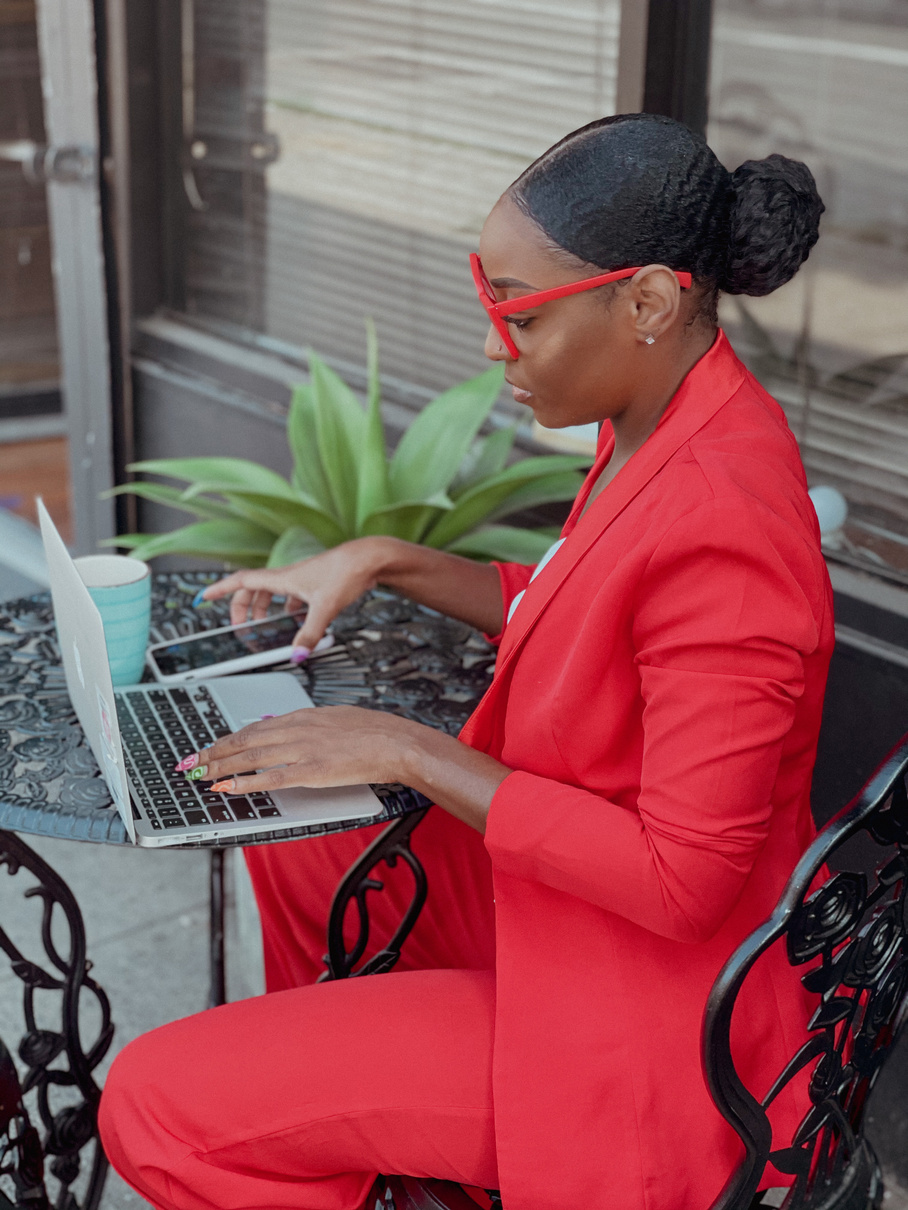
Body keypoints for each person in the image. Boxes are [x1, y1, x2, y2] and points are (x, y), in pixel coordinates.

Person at [99, 113, 832, 1210]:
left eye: (518, 314)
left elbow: (682, 884)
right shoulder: (666, 408)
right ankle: (344, 1123)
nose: (493, 345)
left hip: (650, 1020)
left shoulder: (726, 526)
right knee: (291, 831)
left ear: (643, 303)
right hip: (580, 922)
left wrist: (405, 746)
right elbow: (579, 607)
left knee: (151, 1106)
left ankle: (345, 1113)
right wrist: (384, 557)